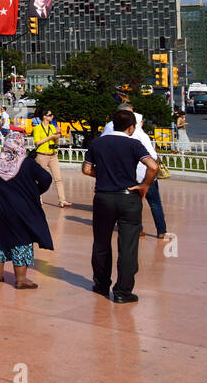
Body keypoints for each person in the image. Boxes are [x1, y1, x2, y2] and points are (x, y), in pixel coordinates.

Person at [82, 108, 158, 304]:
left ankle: (101, 285)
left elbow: (86, 169)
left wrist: (103, 175)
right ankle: (123, 291)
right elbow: (153, 166)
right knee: (128, 246)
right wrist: (145, 185)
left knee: (101, 242)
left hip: (103, 198)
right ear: (131, 127)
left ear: (113, 124)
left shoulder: (97, 143)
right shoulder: (134, 144)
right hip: (128, 198)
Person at [0, 131, 54, 289]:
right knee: (22, 241)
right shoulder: (26, 163)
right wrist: (34, 192)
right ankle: (21, 279)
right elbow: (46, 179)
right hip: (21, 210)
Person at [100, 109, 166, 239]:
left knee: (135, 203)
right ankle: (161, 230)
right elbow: (152, 157)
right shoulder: (141, 136)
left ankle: (139, 228)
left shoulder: (111, 131)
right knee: (154, 203)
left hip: (129, 175)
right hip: (146, 175)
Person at [32, 110, 70, 207]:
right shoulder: (37, 128)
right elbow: (37, 142)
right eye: (50, 115)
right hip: (42, 155)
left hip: (53, 155)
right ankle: (37, 197)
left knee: (58, 179)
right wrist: (50, 137)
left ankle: (62, 200)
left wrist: (57, 135)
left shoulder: (52, 127)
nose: (52, 116)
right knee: (38, 179)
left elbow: (56, 142)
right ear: (44, 116)